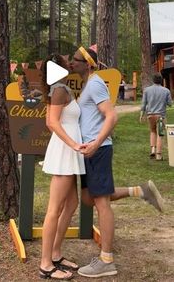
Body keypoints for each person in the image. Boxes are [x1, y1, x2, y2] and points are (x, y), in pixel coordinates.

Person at [70, 47, 164, 279]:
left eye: (76, 60)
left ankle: (106, 260)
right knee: (88, 199)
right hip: (89, 151)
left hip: (98, 150)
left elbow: (112, 116)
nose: (71, 63)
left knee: (101, 203)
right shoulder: (87, 85)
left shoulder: (95, 83)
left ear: (88, 64)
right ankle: (140, 190)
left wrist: (95, 143)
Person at [39, 53, 85, 281]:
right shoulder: (59, 90)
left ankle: (56, 253)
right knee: (54, 209)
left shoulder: (60, 89)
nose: (71, 63)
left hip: (67, 151)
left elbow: (52, 123)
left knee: (72, 203)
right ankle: (45, 264)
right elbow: (52, 122)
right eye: (67, 63)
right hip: (66, 152)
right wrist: (73, 144)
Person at [140, 72, 172, 160]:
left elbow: (143, 103)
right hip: (161, 116)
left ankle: (153, 149)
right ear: (161, 80)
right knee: (160, 134)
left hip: (150, 115)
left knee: (153, 131)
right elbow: (170, 104)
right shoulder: (166, 91)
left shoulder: (147, 90)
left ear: (153, 80)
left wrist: (142, 114)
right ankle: (158, 154)